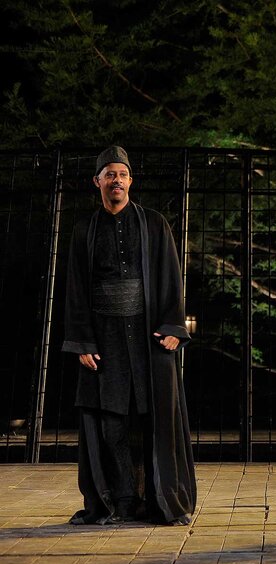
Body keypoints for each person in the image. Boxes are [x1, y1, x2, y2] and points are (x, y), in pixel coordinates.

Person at [62, 146, 196, 525]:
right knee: (112, 425)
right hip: (104, 341)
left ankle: (160, 501)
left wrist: (174, 328)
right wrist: (83, 342)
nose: (116, 180)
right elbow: (75, 290)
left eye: (122, 174)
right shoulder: (84, 229)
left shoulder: (154, 223)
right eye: (109, 174)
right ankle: (120, 500)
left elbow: (171, 277)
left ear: (130, 181)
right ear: (98, 182)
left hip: (148, 337)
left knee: (154, 420)